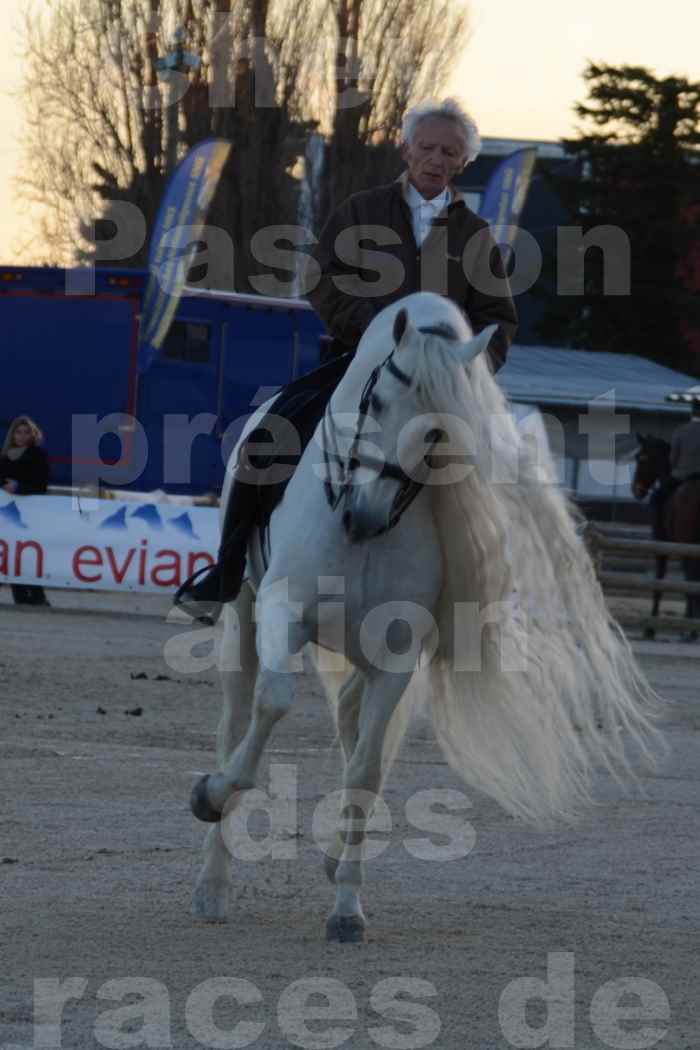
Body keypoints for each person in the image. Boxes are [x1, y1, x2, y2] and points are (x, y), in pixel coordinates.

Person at [174, 98, 518, 623]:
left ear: (464, 163)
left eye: (449, 152)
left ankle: (472, 613)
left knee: (501, 476)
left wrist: (462, 374)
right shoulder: (361, 211)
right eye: (427, 147)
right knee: (264, 441)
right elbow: (320, 278)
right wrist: (372, 334)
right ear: (406, 149)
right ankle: (226, 571)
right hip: (354, 364)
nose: (436, 158)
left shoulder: (476, 237)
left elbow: (498, 320)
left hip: (440, 389)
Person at [0, 415, 50, 606]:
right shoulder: (5, 456)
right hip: (6, 516)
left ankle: (37, 596)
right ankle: (21, 596)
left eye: (25, 432)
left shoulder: (38, 455)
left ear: (32, 434)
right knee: (11, 554)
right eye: (18, 432)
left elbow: (41, 485)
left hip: (30, 515)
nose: (21, 436)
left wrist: (18, 487)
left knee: (27, 556)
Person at [650, 399, 700, 532]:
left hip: (682, 477)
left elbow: (672, 460)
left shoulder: (681, 431)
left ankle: (658, 533)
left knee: (657, 498)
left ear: (692, 412)